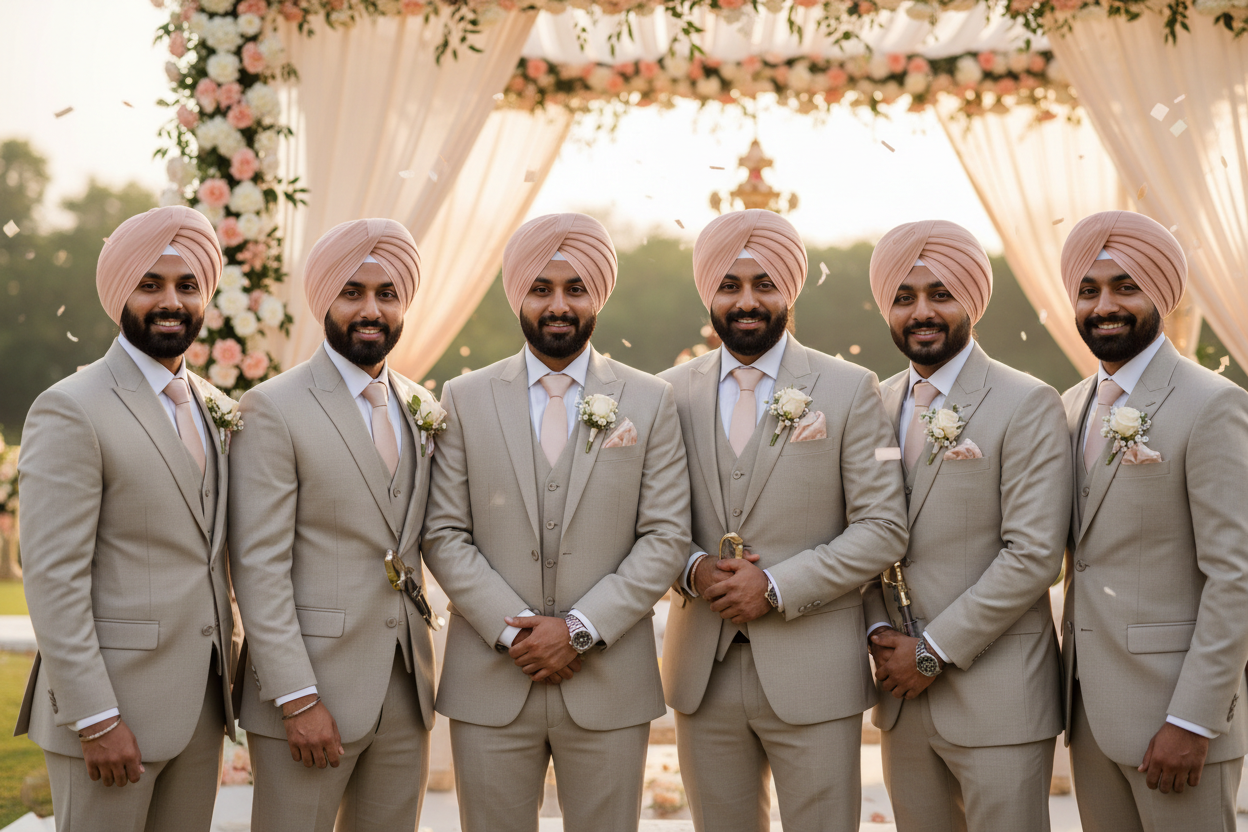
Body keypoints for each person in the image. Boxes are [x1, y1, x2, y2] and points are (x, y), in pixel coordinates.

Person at [421, 212, 691, 832]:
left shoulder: (650, 401)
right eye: (542, 288)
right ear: (519, 294)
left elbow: (666, 535)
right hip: (491, 679)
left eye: (576, 288)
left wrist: (579, 628)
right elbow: (443, 532)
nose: (559, 304)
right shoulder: (465, 397)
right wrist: (515, 633)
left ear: (598, 294)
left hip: (608, 681)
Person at [658, 208, 909, 831]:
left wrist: (775, 586)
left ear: (790, 289)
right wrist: (691, 569)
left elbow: (883, 527)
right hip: (702, 673)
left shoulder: (851, 389)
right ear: (707, 291)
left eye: (764, 283)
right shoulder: (664, 394)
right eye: (730, 285)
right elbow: (642, 521)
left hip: (815, 667)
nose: (746, 301)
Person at [16, 206, 237, 831]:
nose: (171, 301)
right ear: (120, 294)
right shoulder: (70, 408)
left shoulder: (216, 408)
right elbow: (53, 579)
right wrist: (95, 717)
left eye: (186, 285)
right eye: (151, 284)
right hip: (110, 715)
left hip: (200, 707)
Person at [228, 218, 439, 832]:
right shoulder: (273, 407)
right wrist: (296, 697)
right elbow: (259, 567)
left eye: (386, 295)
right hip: (311, 693)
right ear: (324, 299)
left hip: (406, 686)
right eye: (352, 293)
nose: (370, 309)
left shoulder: (421, 407)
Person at [861, 219, 1071, 831]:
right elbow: (865, 530)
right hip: (898, 696)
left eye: (940, 294)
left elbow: (1034, 555)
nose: (921, 312)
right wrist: (879, 631)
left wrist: (931, 653)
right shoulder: (874, 403)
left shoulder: (1026, 401)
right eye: (904, 298)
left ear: (972, 301)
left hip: (998, 695)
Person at [1058, 210, 1248, 832]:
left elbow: (1235, 577)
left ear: (1161, 294)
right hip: (1086, 713)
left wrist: (1194, 719)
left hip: (1176, 719)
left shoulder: (1213, 404)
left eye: (1125, 287)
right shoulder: (1072, 406)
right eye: (1089, 291)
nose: (1104, 305)